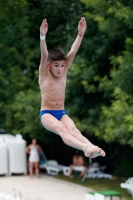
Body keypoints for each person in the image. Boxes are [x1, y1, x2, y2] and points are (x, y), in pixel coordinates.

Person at [39, 17, 106, 158]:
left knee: (74, 130)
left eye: (62, 65)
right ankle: (85, 148)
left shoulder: (63, 72)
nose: (60, 69)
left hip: (61, 112)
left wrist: (80, 33)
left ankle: (92, 149)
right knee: (62, 129)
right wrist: (43, 37)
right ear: (49, 65)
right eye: (56, 66)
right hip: (46, 114)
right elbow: (44, 55)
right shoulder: (44, 74)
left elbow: (73, 51)